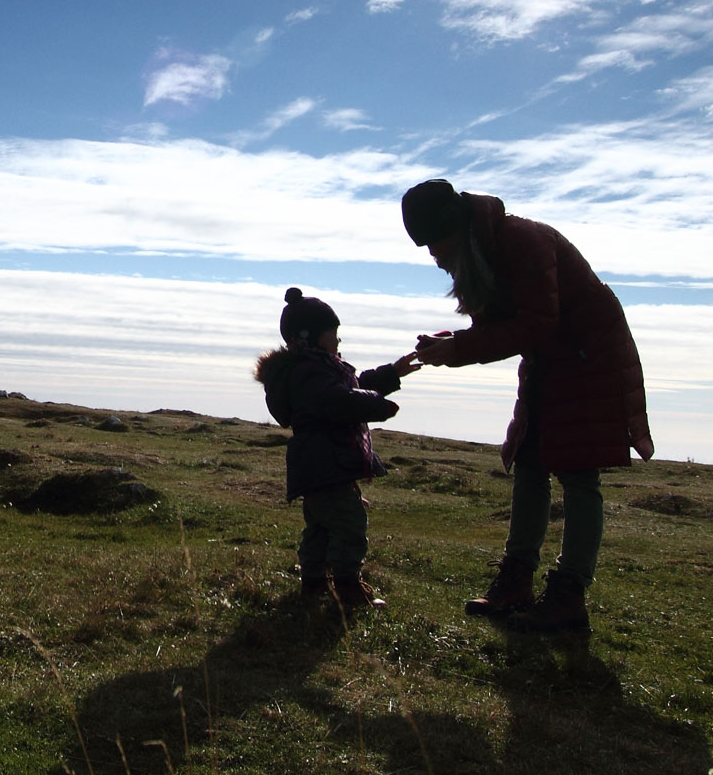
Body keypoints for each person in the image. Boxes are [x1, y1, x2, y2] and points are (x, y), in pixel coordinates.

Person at [402, 179, 654, 634]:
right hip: (552, 359)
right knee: (531, 460)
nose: (434, 256)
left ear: (453, 228)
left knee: (579, 473)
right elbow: (502, 325)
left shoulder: (523, 241)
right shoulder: (487, 249)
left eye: (435, 244)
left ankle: (568, 595)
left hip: (586, 358)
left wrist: (461, 350)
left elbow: (537, 322)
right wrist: (455, 341)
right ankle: (516, 580)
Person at [254, 286, 420, 609]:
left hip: (321, 465)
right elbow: (340, 400)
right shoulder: (310, 372)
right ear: (311, 336)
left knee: (320, 527)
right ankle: (348, 590)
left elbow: (352, 387)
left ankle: (314, 583)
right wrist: (377, 406)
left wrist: (392, 373)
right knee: (348, 524)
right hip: (326, 463)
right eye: (334, 333)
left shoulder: (315, 369)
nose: (338, 341)